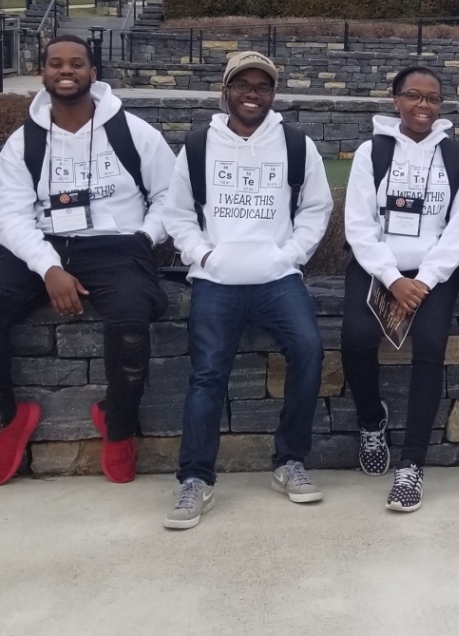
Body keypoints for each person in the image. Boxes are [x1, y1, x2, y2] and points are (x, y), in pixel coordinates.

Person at [162, 51, 332, 529]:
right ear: (226, 90)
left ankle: (289, 462)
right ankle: (195, 479)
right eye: (243, 84)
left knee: (309, 350)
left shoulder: (296, 144)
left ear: (273, 93)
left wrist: (289, 255)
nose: (252, 93)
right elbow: (177, 213)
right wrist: (205, 256)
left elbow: (316, 208)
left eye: (262, 85)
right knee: (207, 375)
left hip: (278, 279)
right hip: (217, 281)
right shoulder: (198, 146)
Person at [0, 35, 174, 486]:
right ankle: (9, 420)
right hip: (44, 245)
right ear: (43, 73)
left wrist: (143, 237)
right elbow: (10, 216)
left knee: (131, 322)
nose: (66, 70)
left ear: (92, 74)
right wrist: (49, 267)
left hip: (116, 246)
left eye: (77, 63)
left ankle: (117, 428)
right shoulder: (23, 144)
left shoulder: (133, 132)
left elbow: (170, 199)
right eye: (55, 63)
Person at [341, 66, 459, 511]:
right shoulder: (370, 153)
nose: (423, 106)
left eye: (432, 98)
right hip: (377, 269)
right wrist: (393, 278)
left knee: (431, 345)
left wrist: (424, 280)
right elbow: (359, 226)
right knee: (357, 338)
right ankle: (371, 422)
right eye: (413, 96)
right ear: (395, 99)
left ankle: (411, 465)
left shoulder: (458, 158)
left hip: (432, 275)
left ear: (441, 105)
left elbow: (458, 231)